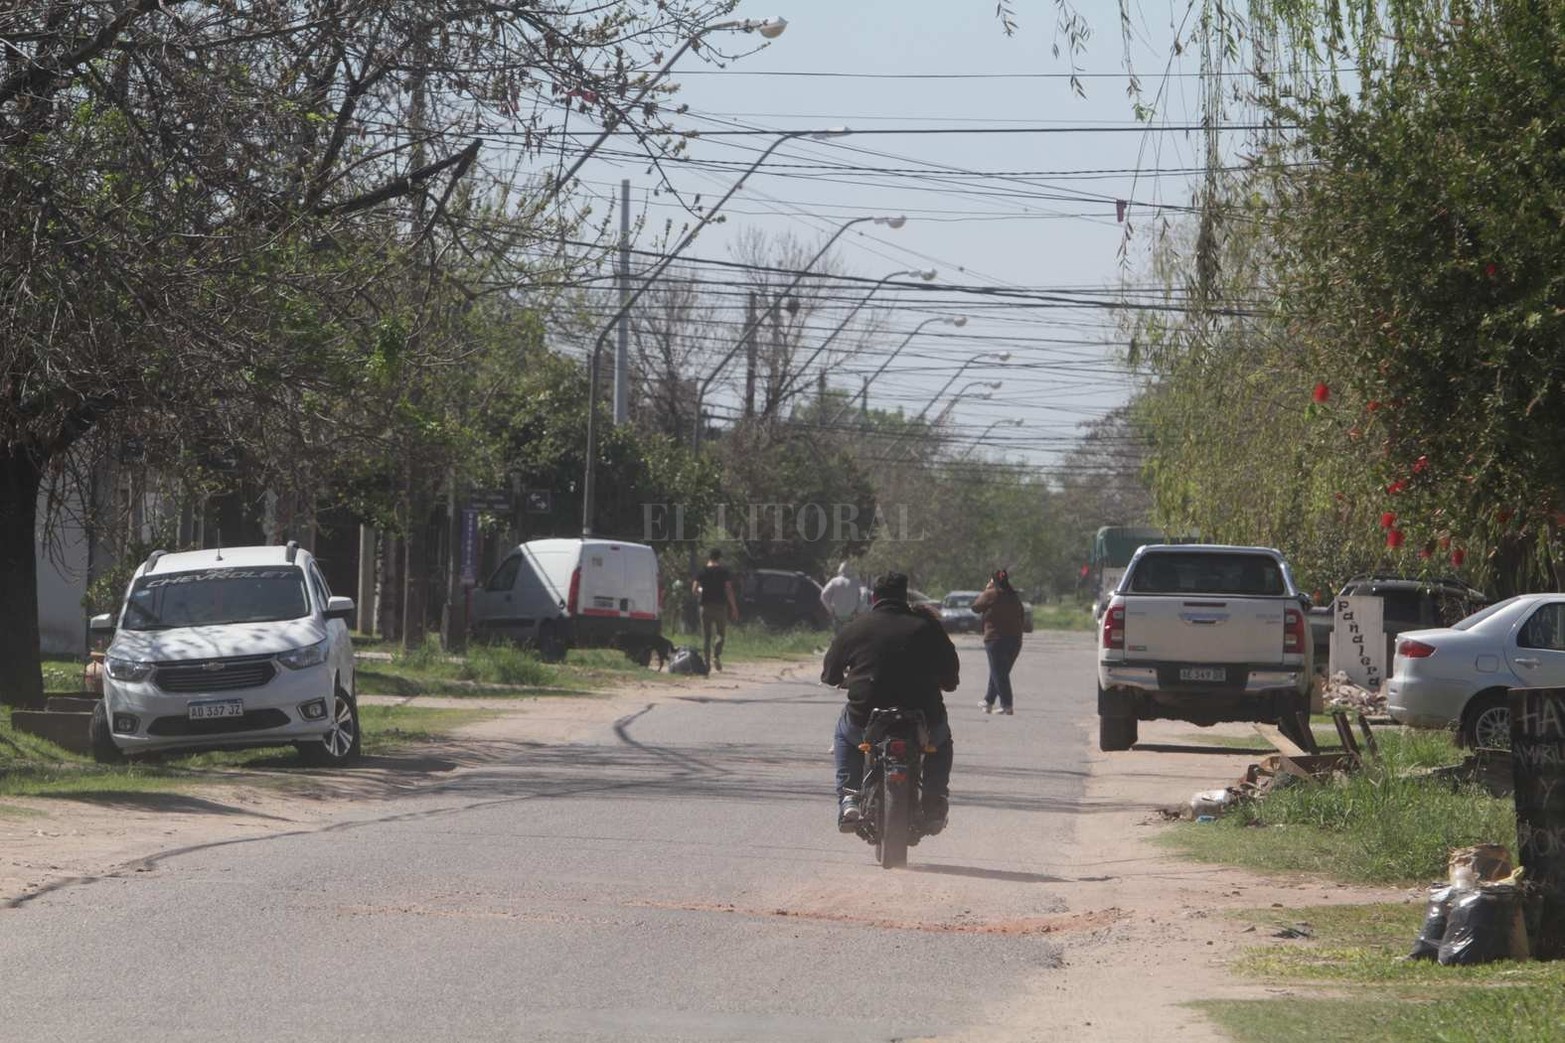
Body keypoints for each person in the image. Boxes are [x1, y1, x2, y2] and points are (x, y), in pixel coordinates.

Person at [821, 571, 960, 833]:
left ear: (874, 597)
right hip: (923, 716)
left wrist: (842, 678)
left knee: (844, 736)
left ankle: (849, 796)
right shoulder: (928, 627)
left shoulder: (856, 627)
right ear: (904, 596)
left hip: (865, 714)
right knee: (940, 743)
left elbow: (830, 674)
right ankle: (933, 800)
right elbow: (951, 675)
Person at [971, 568, 1025, 715]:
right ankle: (988, 701)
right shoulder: (1014, 596)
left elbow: (975, 607)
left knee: (999, 673)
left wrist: (986, 590)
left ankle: (1007, 705)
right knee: (999, 671)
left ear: (993, 580)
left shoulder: (991, 594)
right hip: (1015, 640)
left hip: (995, 639)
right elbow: (1022, 615)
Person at [690, 548, 738, 671]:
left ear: (709, 558)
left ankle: (707, 664)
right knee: (720, 634)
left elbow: (694, 589)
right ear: (719, 558)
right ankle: (716, 655)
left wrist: (701, 591)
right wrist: (734, 607)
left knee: (706, 637)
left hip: (705, 607)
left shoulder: (702, 571)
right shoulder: (723, 572)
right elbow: (728, 589)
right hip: (720, 607)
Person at [819, 561, 860, 633]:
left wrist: (831, 610)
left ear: (840, 570)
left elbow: (824, 596)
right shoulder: (856, 582)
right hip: (851, 616)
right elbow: (863, 597)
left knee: (838, 638)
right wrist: (858, 610)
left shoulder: (834, 581)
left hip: (837, 615)